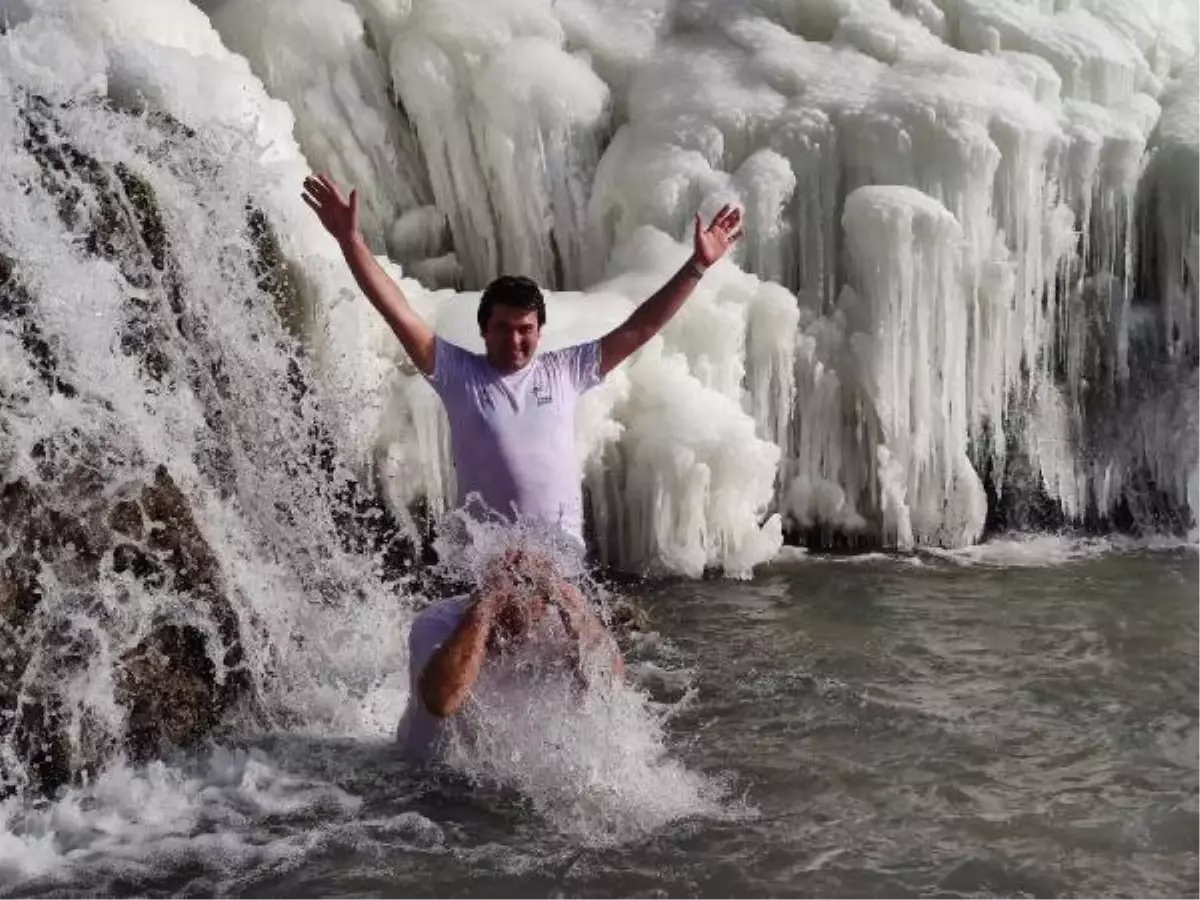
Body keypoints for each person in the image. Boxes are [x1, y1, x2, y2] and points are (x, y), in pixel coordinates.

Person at [301, 173, 744, 551]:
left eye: (525, 329)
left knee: (595, 651)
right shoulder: (458, 373)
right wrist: (351, 241)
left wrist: (696, 268)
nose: (515, 339)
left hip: (560, 560)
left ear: (539, 331)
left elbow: (641, 327)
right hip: (489, 565)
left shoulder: (566, 370)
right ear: (483, 330)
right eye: (503, 328)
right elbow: (395, 309)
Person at [395, 547, 624, 762]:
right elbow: (443, 701)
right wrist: (484, 610)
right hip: (425, 779)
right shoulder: (438, 621)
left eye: (533, 585)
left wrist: (571, 605)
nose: (523, 596)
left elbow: (609, 686)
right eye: (515, 582)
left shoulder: (561, 626)